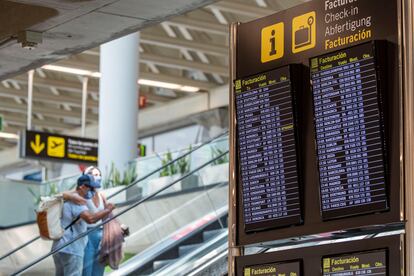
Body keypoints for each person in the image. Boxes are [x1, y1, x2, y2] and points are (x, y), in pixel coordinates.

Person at [52, 174, 115, 276]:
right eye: (91, 188)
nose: (93, 191)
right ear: (82, 187)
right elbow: (91, 219)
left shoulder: (67, 199)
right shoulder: (78, 201)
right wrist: (108, 209)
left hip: (59, 248)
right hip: (71, 248)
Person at [82, 166, 109, 276]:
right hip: (87, 235)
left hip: (101, 235)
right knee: (86, 271)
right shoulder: (83, 194)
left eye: (99, 175)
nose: (99, 177)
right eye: (95, 175)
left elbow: (108, 215)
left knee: (99, 271)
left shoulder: (102, 195)